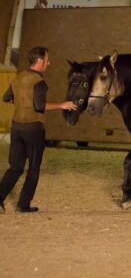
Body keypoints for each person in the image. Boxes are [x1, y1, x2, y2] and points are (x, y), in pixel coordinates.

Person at [0, 46, 77, 213]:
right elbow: (40, 105)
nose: (49, 63)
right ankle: (23, 204)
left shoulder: (19, 77)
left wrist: (23, 104)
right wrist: (61, 105)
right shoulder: (40, 82)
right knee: (33, 168)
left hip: (17, 127)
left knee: (15, 167)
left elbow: (6, 97)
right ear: (40, 61)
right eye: (47, 60)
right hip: (34, 129)